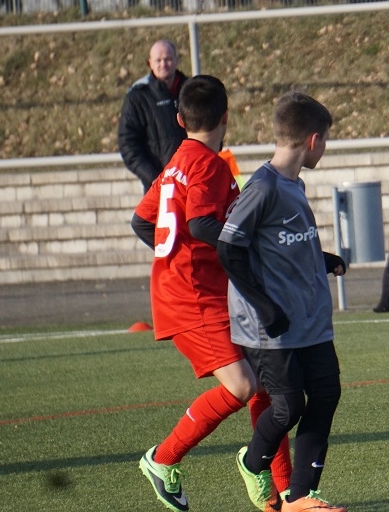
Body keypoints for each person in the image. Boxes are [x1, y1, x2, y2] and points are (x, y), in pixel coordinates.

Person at [132, 75, 291, 512]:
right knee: (241, 386)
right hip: (193, 297)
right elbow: (201, 224)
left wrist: (176, 256)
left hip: (203, 291)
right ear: (226, 117)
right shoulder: (208, 165)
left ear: (180, 120)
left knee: (265, 384)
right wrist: (229, 250)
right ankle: (163, 459)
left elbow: (142, 221)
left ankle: (284, 492)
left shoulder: (177, 162)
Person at [218, 91, 348, 512]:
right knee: (289, 406)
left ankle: (301, 495)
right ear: (313, 140)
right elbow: (229, 249)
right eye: (325, 140)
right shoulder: (263, 187)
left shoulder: (294, 184)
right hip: (269, 325)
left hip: (308, 319)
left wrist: (323, 259)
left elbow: (280, 244)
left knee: (326, 394)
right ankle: (251, 461)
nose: (324, 148)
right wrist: (264, 306)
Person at [119, 39, 189, 190]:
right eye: (158, 60)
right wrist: (155, 178)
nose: (163, 64)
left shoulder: (191, 91)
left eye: (168, 59)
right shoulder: (138, 97)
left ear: (176, 60)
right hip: (159, 189)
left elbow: (209, 127)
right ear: (150, 63)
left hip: (193, 182)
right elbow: (128, 144)